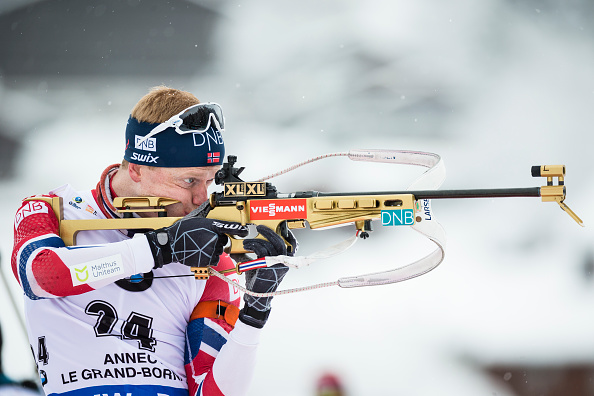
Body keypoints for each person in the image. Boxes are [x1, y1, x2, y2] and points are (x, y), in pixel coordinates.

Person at [11, 86, 296, 396]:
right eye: (190, 181)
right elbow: (42, 275)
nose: (201, 198)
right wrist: (158, 247)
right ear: (136, 169)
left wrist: (255, 313)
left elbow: (211, 392)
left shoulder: (210, 264)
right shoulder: (53, 210)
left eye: (209, 180)